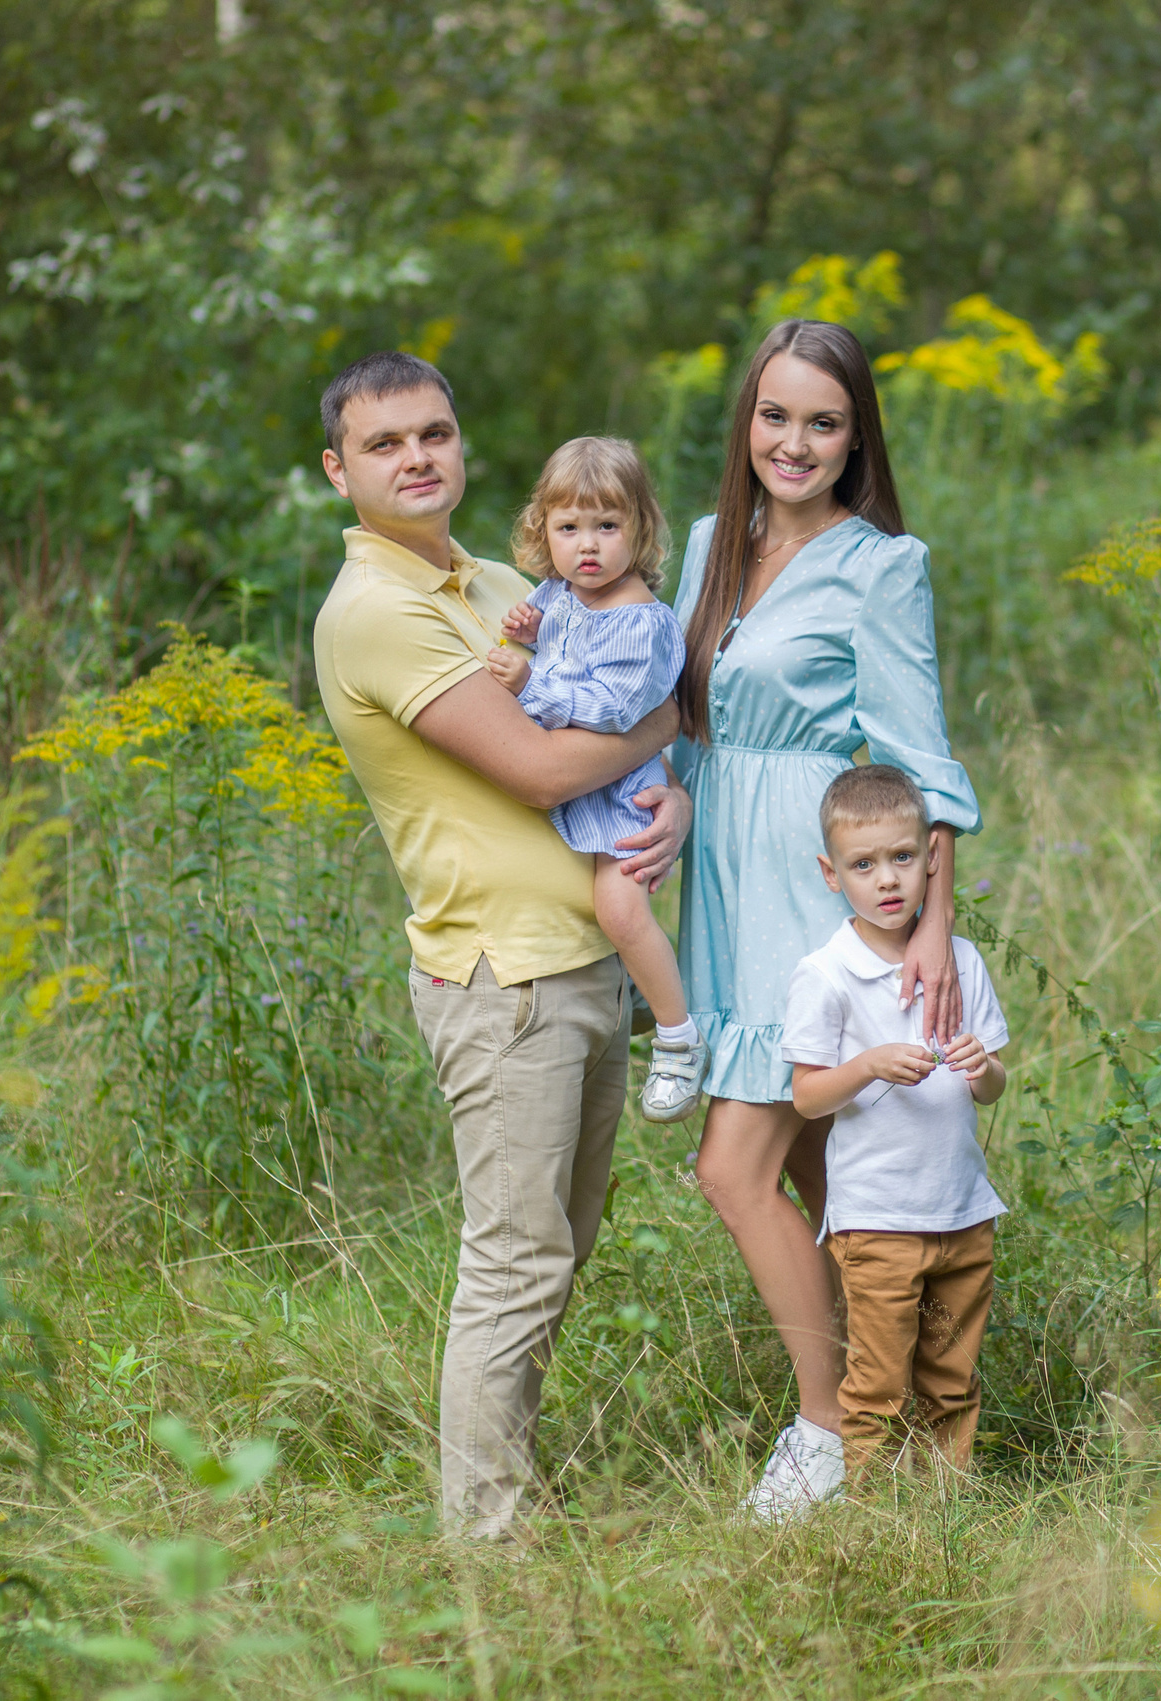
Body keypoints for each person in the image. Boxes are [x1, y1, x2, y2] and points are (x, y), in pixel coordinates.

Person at [309, 351, 690, 1540]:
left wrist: (670, 795)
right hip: (502, 977)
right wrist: (679, 715)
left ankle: (506, 1488)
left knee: (559, 1252)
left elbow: (601, 737)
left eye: (433, 433)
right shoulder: (377, 613)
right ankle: (484, 1547)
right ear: (338, 472)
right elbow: (536, 768)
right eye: (383, 444)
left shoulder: (499, 584)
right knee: (517, 1261)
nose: (416, 458)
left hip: (584, 958)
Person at [669, 319, 981, 1519]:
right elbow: (678, 723)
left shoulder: (880, 565)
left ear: (856, 440)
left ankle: (824, 1432)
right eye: (773, 415)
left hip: (806, 888)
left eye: (822, 422)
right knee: (826, 1172)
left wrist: (932, 924)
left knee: (730, 1168)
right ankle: (902, 1412)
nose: (792, 443)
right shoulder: (710, 543)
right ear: (745, 421)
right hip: (718, 883)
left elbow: (918, 758)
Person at [782, 765, 1008, 1500]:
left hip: (962, 1210)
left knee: (952, 1378)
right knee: (878, 1382)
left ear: (931, 858)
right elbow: (807, 1097)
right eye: (863, 864)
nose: (887, 879)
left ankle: (946, 1508)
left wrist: (981, 1067)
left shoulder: (960, 961)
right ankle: (876, 1514)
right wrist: (870, 1064)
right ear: (831, 873)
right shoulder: (828, 974)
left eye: (903, 857)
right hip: (878, 1218)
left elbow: (995, 1085)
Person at [482, 437, 705, 1123]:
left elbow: (614, 709)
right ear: (542, 530)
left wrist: (531, 679)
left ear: (640, 528)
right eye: (568, 527)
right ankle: (636, 983)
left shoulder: (640, 620)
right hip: (581, 787)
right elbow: (555, 637)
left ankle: (678, 1038)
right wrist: (530, 627)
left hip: (618, 795)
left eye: (607, 526)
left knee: (619, 908)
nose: (587, 546)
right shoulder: (560, 594)